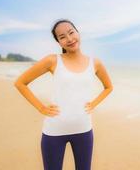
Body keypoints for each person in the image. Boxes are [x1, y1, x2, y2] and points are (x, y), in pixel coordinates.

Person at [14, 19, 113, 170]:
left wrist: (93, 103)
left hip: (84, 130)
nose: (69, 39)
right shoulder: (52, 60)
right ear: (59, 43)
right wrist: (41, 108)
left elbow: (108, 87)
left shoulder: (95, 63)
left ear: (78, 32)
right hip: (54, 131)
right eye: (62, 37)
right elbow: (20, 83)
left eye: (71, 32)